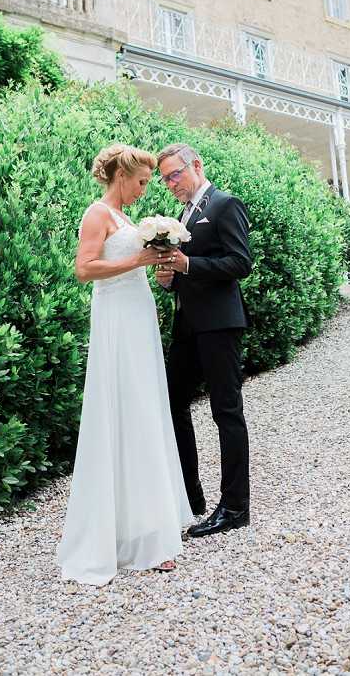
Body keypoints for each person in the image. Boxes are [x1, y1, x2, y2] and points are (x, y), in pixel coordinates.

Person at [57, 144, 192, 585]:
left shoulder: (127, 220)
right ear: (122, 176)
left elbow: (125, 265)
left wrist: (156, 269)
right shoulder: (97, 214)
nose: (144, 189)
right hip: (116, 322)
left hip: (138, 318)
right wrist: (137, 259)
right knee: (127, 412)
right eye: (142, 182)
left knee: (145, 412)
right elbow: (84, 269)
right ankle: (137, 539)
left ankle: (148, 527)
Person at [155, 143, 252, 538]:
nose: (170, 184)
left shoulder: (225, 204)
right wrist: (171, 279)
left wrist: (189, 264)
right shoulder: (182, 214)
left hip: (220, 325)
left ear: (195, 165)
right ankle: (190, 496)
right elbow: (188, 272)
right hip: (188, 327)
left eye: (174, 175)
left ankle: (234, 506)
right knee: (172, 402)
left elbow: (239, 262)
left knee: (225, 412)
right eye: (164, 179)